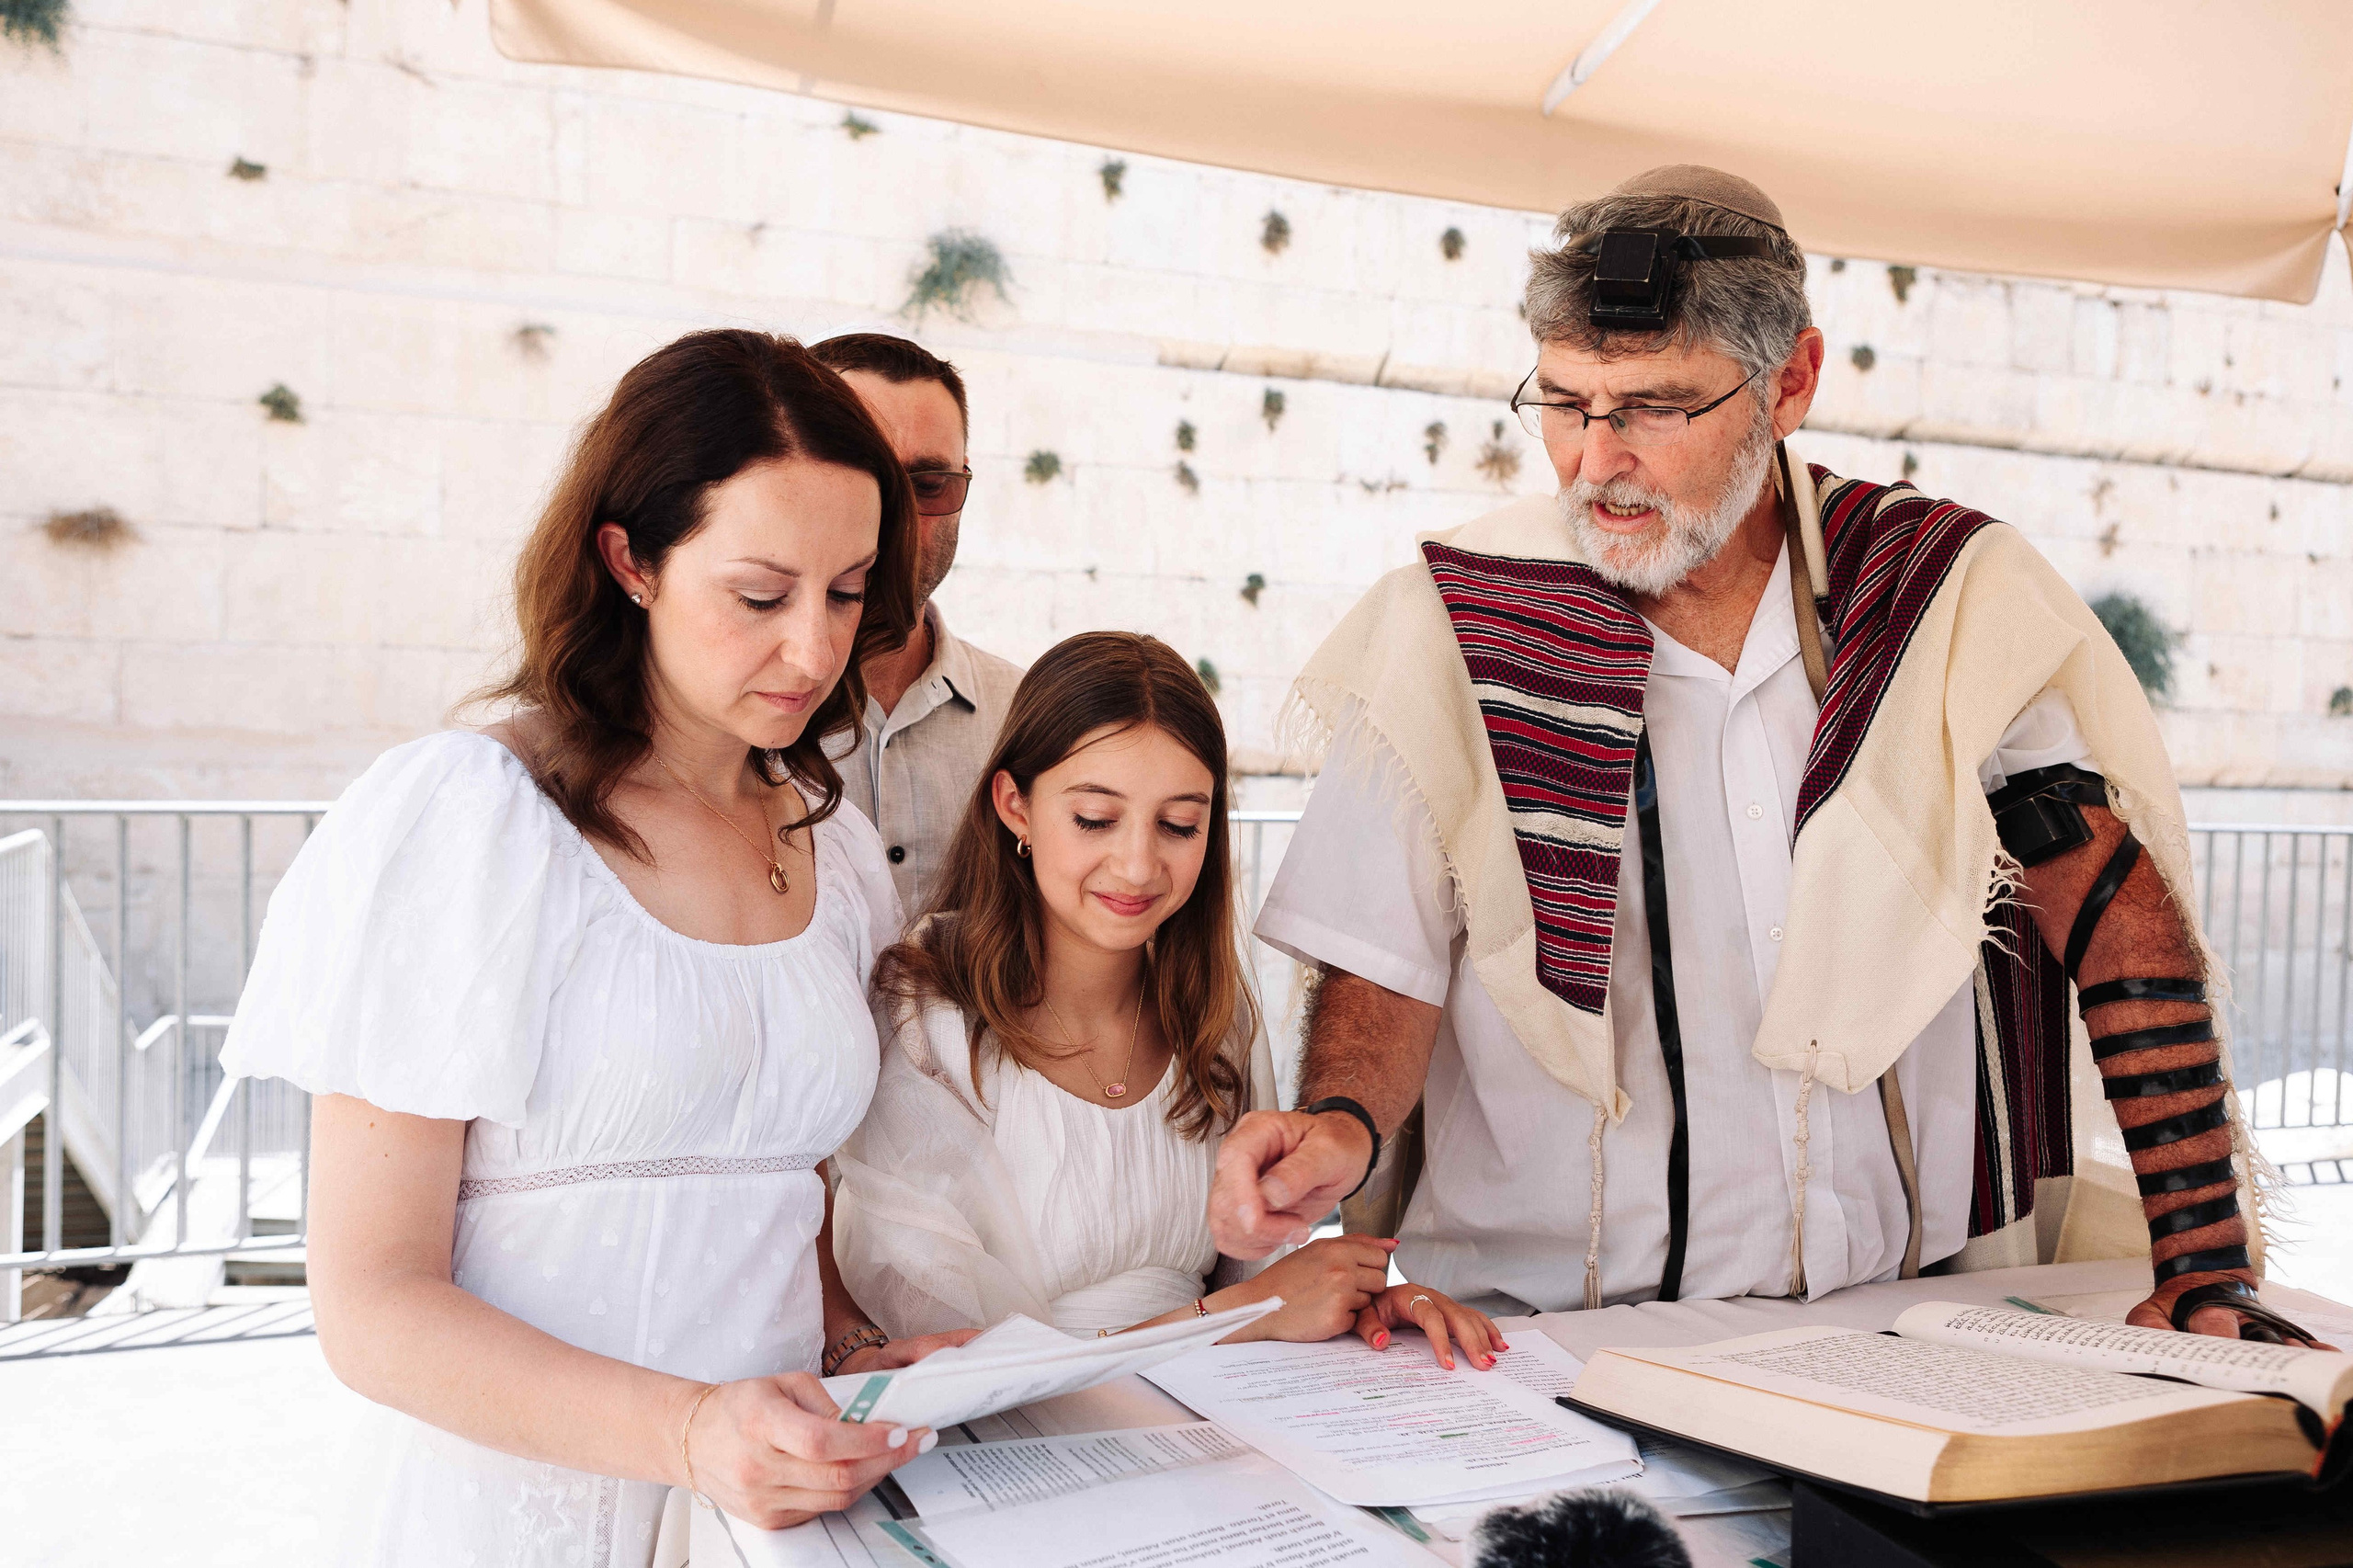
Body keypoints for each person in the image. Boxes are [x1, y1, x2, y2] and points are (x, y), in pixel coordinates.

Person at [1210, 166, 2322, 1349]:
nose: (1594, 460)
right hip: (1546, 1345)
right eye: (1565, 400)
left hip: (1898, 1330)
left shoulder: (1930, 599)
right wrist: (1339, 1119)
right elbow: (1386, 959)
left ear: (1789, 381)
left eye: (1653, 405)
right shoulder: (1454, 625)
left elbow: (2097, 897)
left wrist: (2206, 1257)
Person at [220, 330, 976, 1565]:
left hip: (762, 1527)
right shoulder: (468, 820)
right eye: (759, 594)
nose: (815, 649)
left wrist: (851, 1351)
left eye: (848, 592)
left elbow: (785, 1190)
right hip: (509, 1518)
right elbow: (372, 1305)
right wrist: (687, 1430)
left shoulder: (833, 850)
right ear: (629, 558)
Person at [833, 631, 1503, 1368]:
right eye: (1095, 818)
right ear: (1015, 806)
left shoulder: (1216, 1020)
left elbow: (1264, 1278)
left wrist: (1359, 1297)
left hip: (1213, 1420)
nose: (1138, 864)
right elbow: (955, 1363)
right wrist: (1232, 1315)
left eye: (1180, 824)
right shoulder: (927, 1014)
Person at [813, 333, 1025, 914]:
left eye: (930, 486)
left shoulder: (1026, 715)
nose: (898, 517)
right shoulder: (723, 718)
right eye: (864, 476)